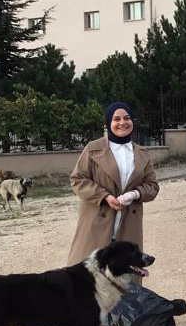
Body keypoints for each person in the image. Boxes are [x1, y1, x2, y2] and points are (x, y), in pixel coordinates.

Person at [68, 102, 159, 265]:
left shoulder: (142, 153)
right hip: (97, 220)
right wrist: (104, 196)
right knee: (91, 277)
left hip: (129, 223)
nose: (122, 123)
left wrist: (135, 194)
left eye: (127, 118)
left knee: (125, 278)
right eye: (116, 119)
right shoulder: (93, 149)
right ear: (109, 123)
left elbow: (152, 185)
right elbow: (78, 179)